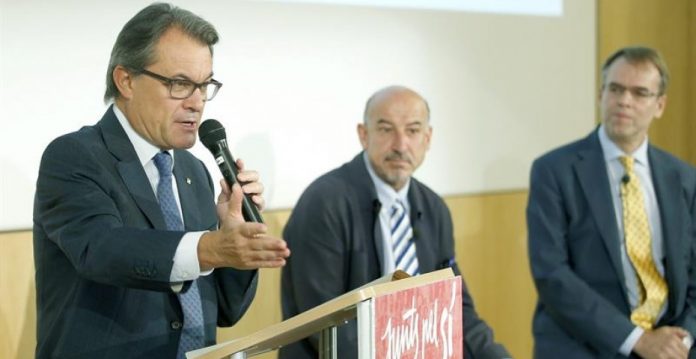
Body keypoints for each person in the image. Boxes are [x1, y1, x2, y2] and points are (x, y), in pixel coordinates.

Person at [32, 4, 290, 358]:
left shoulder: (195, 172)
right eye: (180, 84)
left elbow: (226, 310)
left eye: (205, 85)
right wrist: (211, 247)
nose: (197, 103)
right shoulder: (75, 157)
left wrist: (234, 232)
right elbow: (101, 249)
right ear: (126, 80)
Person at [280, 85, 511, 359]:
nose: (401, 145)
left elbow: (457, 308)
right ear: (363, 135)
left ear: (428, 138)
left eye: (412, 131)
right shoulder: (324, 203)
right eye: (386, 129)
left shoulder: (434, 208)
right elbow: (322, 322)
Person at [527, 46, 696, 358]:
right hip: (585, 342)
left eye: (640, 93)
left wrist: (681, 340)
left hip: (670, 338)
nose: (624, 101)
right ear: (601, 95)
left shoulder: (684, 178)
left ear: (660, 105)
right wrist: (637, 340)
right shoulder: (554, 171)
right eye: (615, 89)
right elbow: (551, 274)